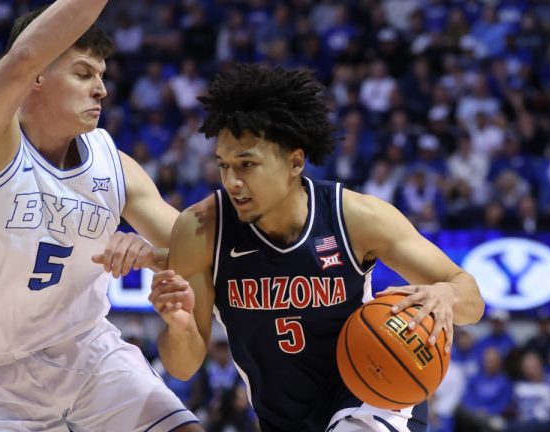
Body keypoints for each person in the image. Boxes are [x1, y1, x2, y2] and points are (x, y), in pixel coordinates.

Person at [150, 64, 485, 432]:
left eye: (247, 164)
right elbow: (183, 366)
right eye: (223, 165)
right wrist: (179, 326)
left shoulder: (357, 217)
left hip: (373, 394)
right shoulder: (200, 230)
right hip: (282, 419)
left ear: (295, 161)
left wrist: (446, 294)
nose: (232, 181)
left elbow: (472, 301)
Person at [0, 2, 200, 431]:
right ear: (36, 78)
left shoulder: (113, 163)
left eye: (102, 76)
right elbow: (22, 57)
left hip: (87, 350)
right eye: (83, 73)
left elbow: (194, 246)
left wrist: (153, 254)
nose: (102, 90)